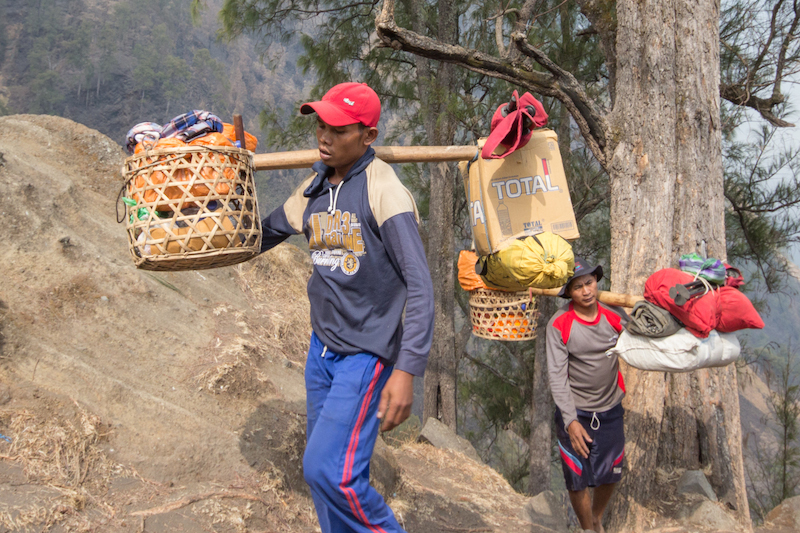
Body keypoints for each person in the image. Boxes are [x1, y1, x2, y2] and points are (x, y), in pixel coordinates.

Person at [258, 82, 434, 533]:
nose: (325, 136)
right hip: (322, 353)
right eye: (321, 123)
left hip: (364, 352)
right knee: (321, 479)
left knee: (329, 471)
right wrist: (209, 238)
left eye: (339, 128)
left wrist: (406, 370)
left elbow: (420, 285)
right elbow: (268, 231)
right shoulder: (316, 184)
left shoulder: (384, 192)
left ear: (368, 136)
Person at [545, 257, 629, 533]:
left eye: (590, 283)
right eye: (578, 286)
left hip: (610, 406)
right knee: (576, 476)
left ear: (596, 282)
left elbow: (644, 335)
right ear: (569, 292)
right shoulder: (559, 324)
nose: (586, 291)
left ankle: (596, 516)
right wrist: (570, 421)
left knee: (611, 472)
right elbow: (557, 376)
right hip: (575, 410)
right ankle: (586, 528)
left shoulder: (614, 314)